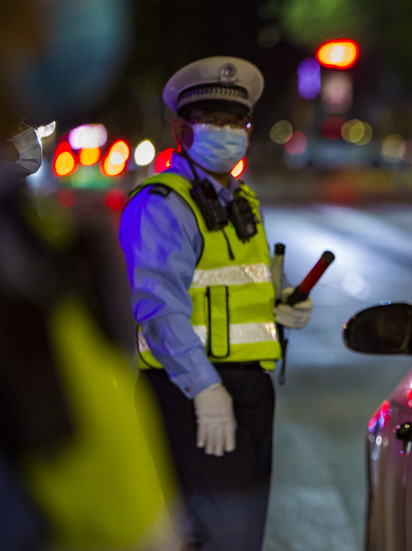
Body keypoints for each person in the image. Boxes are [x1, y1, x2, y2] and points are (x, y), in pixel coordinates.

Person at [118, 56, 314, 551]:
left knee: (240, 538)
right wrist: (206, 391)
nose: (226, 133)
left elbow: (234, 287)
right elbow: (158, 309)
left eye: (236, 124)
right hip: (190, 395)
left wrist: (282, 302)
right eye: (212, 122)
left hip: (248, 393)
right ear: (181, 129)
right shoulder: (162, 204)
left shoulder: (241, 199)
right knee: (216, 538)